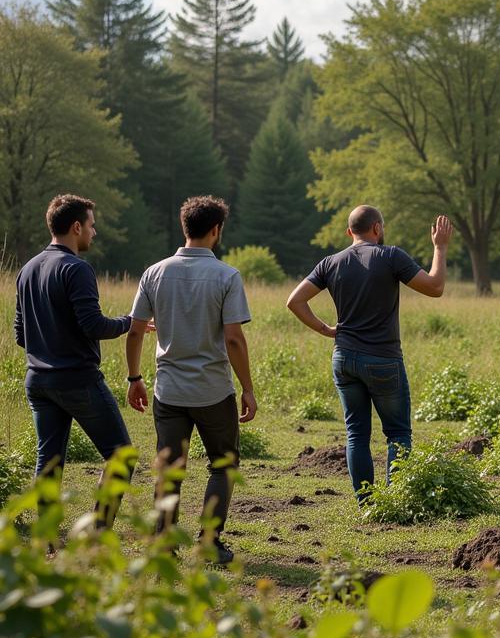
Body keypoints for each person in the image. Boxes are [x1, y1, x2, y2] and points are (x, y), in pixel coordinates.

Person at [285, 206, 452, 500]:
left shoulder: (330, 262)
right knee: (398, 434)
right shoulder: (390, 256)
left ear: (349, 232)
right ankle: (397, 500)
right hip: (383, 359)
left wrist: (325, 329)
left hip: (344, 359)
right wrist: (439, 247)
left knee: (356, 435)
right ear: (377, 228)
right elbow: (436, 287)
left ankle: (367, 503)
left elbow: (295, 301)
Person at [125, 196, 256, 564]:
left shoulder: (154, 272)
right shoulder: (227, 276)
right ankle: (209, 543)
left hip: (169, 391)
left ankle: (164, 543)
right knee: (222, 464)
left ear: (186, 227)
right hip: (213, 390)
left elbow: (135, 332)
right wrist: (247, 387)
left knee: (169, 467)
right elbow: (233, 337)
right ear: (216, 231)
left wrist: (134, 377)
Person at [13, 194, 139, 526]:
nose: (94, 234)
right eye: (92, 226)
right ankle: (99, 532)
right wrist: (131, 322)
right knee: (121, 456)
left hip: (37, 382)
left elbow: (20, 335)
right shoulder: (76, 269)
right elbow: (94, 325)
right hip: (78, 380)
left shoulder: (27, 270)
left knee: (48, 463)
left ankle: (47, 539)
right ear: (76, 226)